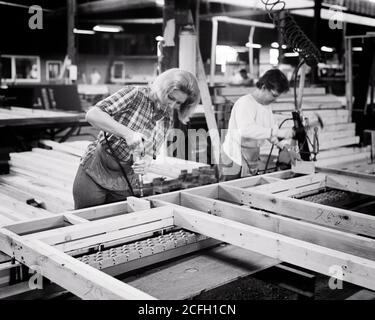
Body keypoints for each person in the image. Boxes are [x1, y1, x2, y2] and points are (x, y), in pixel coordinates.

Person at [73, 68, 200, 209]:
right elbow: (93, 114)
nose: (172, 105)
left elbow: (149, 152)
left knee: (117, 224)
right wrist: (128, 134)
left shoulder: (166, 119)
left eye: (178, 103)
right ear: (163, 87)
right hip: (97, 167)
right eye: (171, 98)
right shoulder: (134, 94)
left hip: (124, 178)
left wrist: (145, 163)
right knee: (87, 218)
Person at [219, 68, 300, 181]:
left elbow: (272, 133)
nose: (274, 99)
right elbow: (246, 130)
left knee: (246, 192)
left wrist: (286, 148)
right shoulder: (245, 103)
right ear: (263, 87)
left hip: (251, 156)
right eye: (274, 95)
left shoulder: (266, 107)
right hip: (233, 157)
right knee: (226, 192)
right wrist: (277, 132)